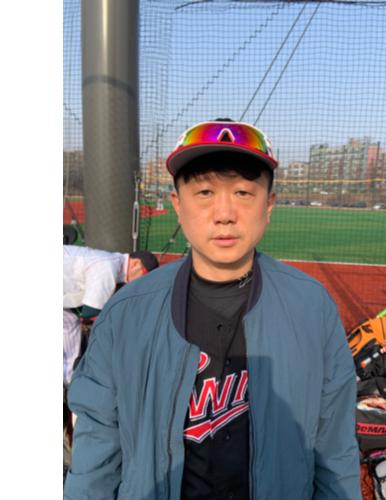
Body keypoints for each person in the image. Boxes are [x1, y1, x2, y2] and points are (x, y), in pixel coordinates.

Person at [65, 119, 361, 499]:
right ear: (178, 205)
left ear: (269, 205)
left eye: (243, 192)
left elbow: (335, 447)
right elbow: (97, 452)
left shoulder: (311, 307)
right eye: (204, 192)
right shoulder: (126, 313)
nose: (224, 213)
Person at [63, 245, 160, 386]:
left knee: (70, 325)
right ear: (136, 264)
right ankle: (70, 381)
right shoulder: (108, 266)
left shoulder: (113, 263)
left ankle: (69, 381)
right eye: (145, 275)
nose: (143, 282)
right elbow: (91, 311)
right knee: (71, 326)